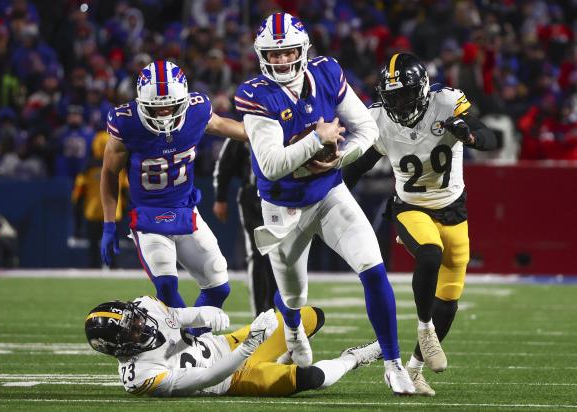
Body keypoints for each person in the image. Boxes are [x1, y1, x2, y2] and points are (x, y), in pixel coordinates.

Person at [234, 13, 414, 395]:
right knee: (293, 296)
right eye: (273, 53)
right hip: (283, 210)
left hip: (330, 194)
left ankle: (394, 363)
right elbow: (271, 164)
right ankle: (295, 331)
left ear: (302, 50)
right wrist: (317, 140)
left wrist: (339, 157)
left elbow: (366, 128)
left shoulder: (327, 72)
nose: (281, 60)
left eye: (287, 52)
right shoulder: (255, 94)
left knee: (373, 268)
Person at [343, 52, 499, 396]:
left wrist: (470, 136)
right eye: (392, 96)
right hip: (410, 208)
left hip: (453, 209)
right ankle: (424, 329)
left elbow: (491, 138)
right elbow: (356, 168)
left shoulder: (445, 103)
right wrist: (329, 199)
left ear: (423, 90)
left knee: (450, 296)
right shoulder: (380, 121)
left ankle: (413, 369)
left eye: (404, 94)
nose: (398, 104)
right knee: (430, 253)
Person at [100, 60, 248, 326]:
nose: (165, 113)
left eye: (170, 105)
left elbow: (229, 126)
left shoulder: (197, 110)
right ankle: (187, 349)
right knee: (167, 287)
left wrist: (270, 134)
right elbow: (109, 173)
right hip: (147, 217)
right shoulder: (127, 123)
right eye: (156, 108)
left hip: (185, 211)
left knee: (219, 286)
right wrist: (109, 224)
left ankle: (192, 342)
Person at [84, 296, 381, 396]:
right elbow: (206, 377)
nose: (141, 325)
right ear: (119, 349)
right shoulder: (139, 376)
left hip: (227, 343)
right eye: (132, 331)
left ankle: (285, 354)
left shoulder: (144, 306)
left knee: (311, 316)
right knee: (311, 378)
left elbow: (174, 316)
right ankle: (354, 358)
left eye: (134, 320)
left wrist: (203, 314)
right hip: (232, 377)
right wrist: (250, 346)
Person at [212, 139, 278, 316]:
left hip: (282, 198)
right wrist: (220, 198)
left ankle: (280, 309)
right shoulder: (244, 128)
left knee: (280, 254)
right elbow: (225, 164)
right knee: (258, 254)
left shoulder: (286, 121)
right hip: (253, 199)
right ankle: (261, 313)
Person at [71, 131, 128, 268]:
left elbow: (79, 192)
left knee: (93, 244)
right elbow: (126, 189)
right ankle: (113, 266)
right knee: (113, 243)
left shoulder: (88, 167)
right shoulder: (119, 165)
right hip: (114, 212)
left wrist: (78, 210)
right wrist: (125, 207)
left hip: (93, 210)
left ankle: (94, 266)